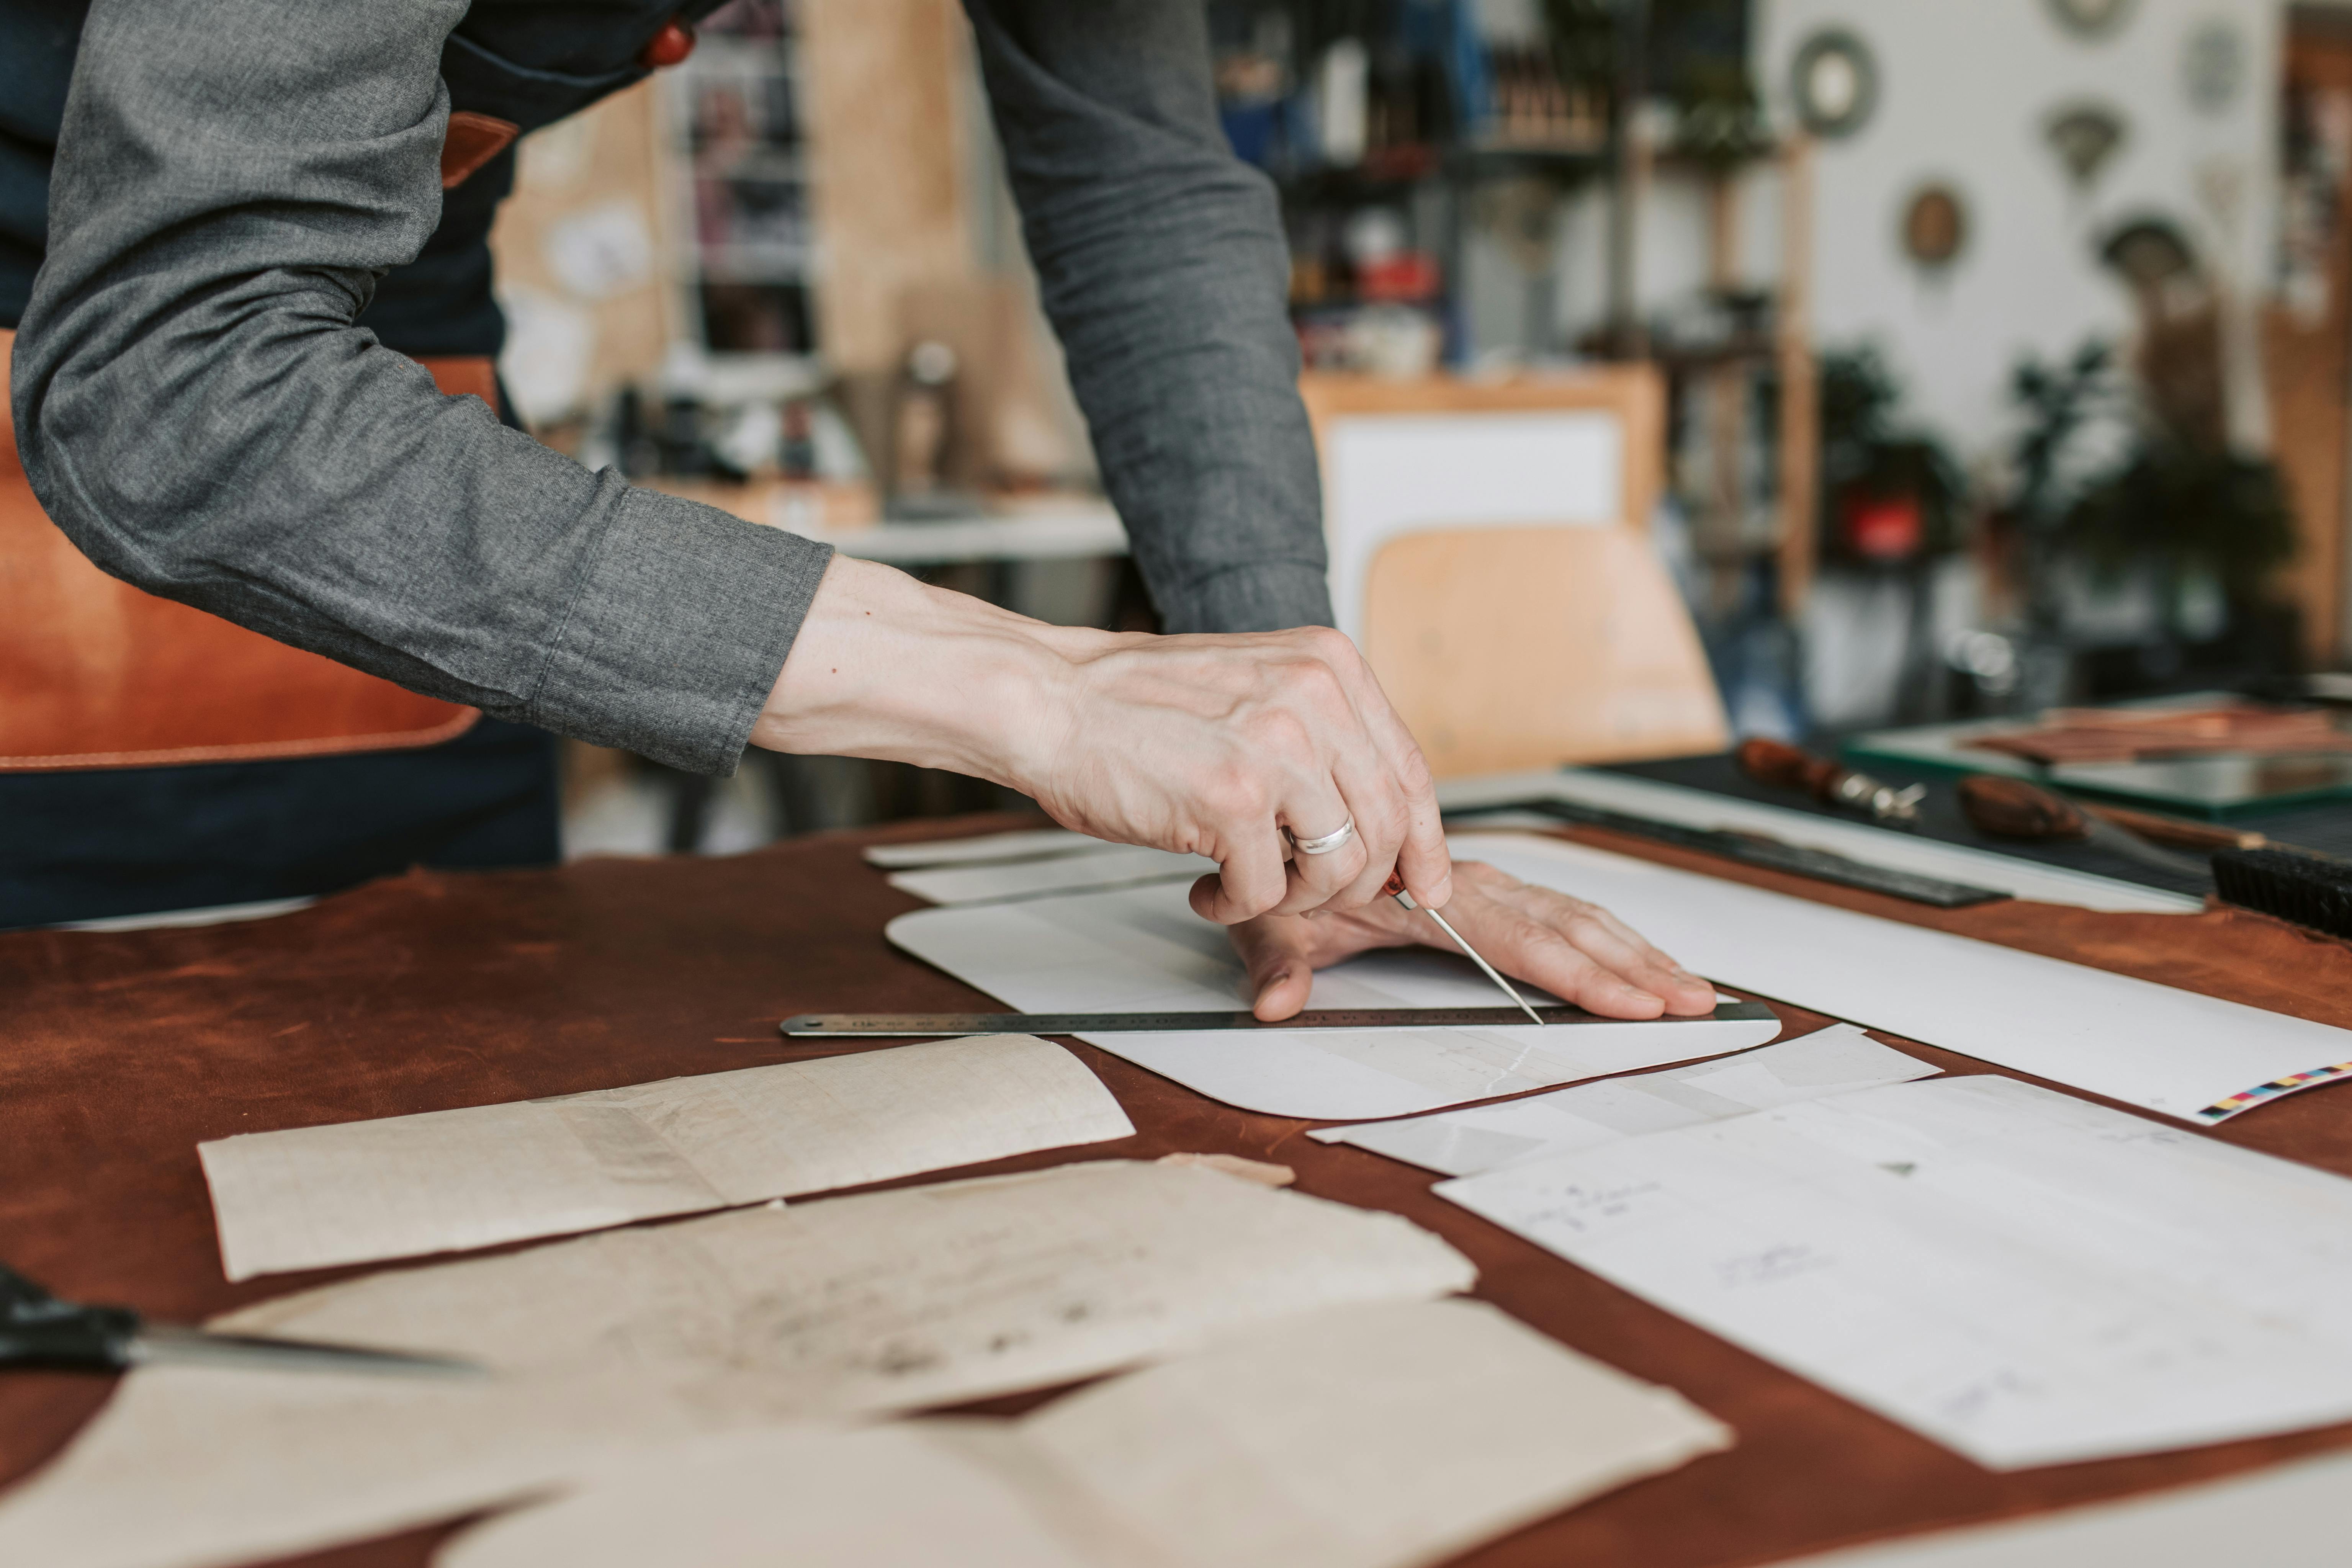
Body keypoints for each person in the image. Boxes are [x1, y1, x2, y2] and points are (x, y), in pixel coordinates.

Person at [5, 0, 1715, 1023]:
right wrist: (1029, 684)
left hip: (382, 370)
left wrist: (1292, 782)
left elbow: (1141, 185)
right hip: (134, 359)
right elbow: (171, 376)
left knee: (441, 1049)